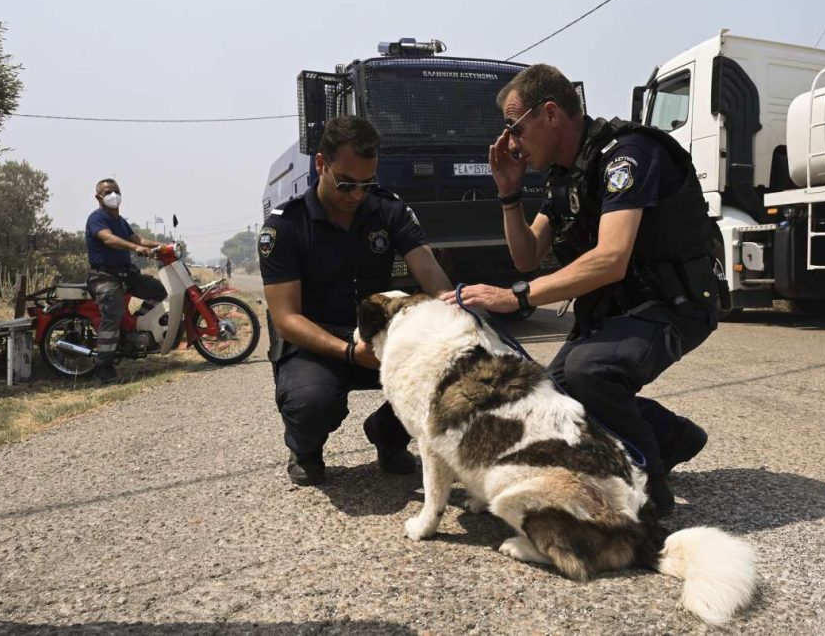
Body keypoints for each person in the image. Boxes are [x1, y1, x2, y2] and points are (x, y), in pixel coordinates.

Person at [442, 65, 718, 516]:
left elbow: (612, 258)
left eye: (514, 127)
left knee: (592, 370)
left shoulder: (627, 154)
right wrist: (509, 195)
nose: (510, 142)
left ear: (550, 114)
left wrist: (516, 297)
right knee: (552, 398)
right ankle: (671, 438)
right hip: (618, 311)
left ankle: (646, 493)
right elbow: (527, 256)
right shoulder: (567, 174)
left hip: (674, 305)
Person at [260, 115, 452, 486]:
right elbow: (286, 318)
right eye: (346, 184)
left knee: (444, 371)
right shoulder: (285, 226)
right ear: (321, 164)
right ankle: (305, 448)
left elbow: (432, 276)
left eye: (367, 184)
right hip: (314, 341)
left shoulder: (388, 209)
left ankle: (388, 433)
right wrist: (349, 352)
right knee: (312, 402)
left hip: (376, 334)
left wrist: (454, 305)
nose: (357, 195)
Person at [85, 178, 167, 385]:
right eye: (108, 192)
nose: (113, 195)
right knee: (113, 314)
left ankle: (136, 329)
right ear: (98, 197)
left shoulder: (120, 221)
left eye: (116, 191)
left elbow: (136, 239)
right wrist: (135, 249)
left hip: (126, 274)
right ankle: (103, 368)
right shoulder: (97, 218)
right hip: (104, 276)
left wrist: (163, 246)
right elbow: (109, 239)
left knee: (159, 291)